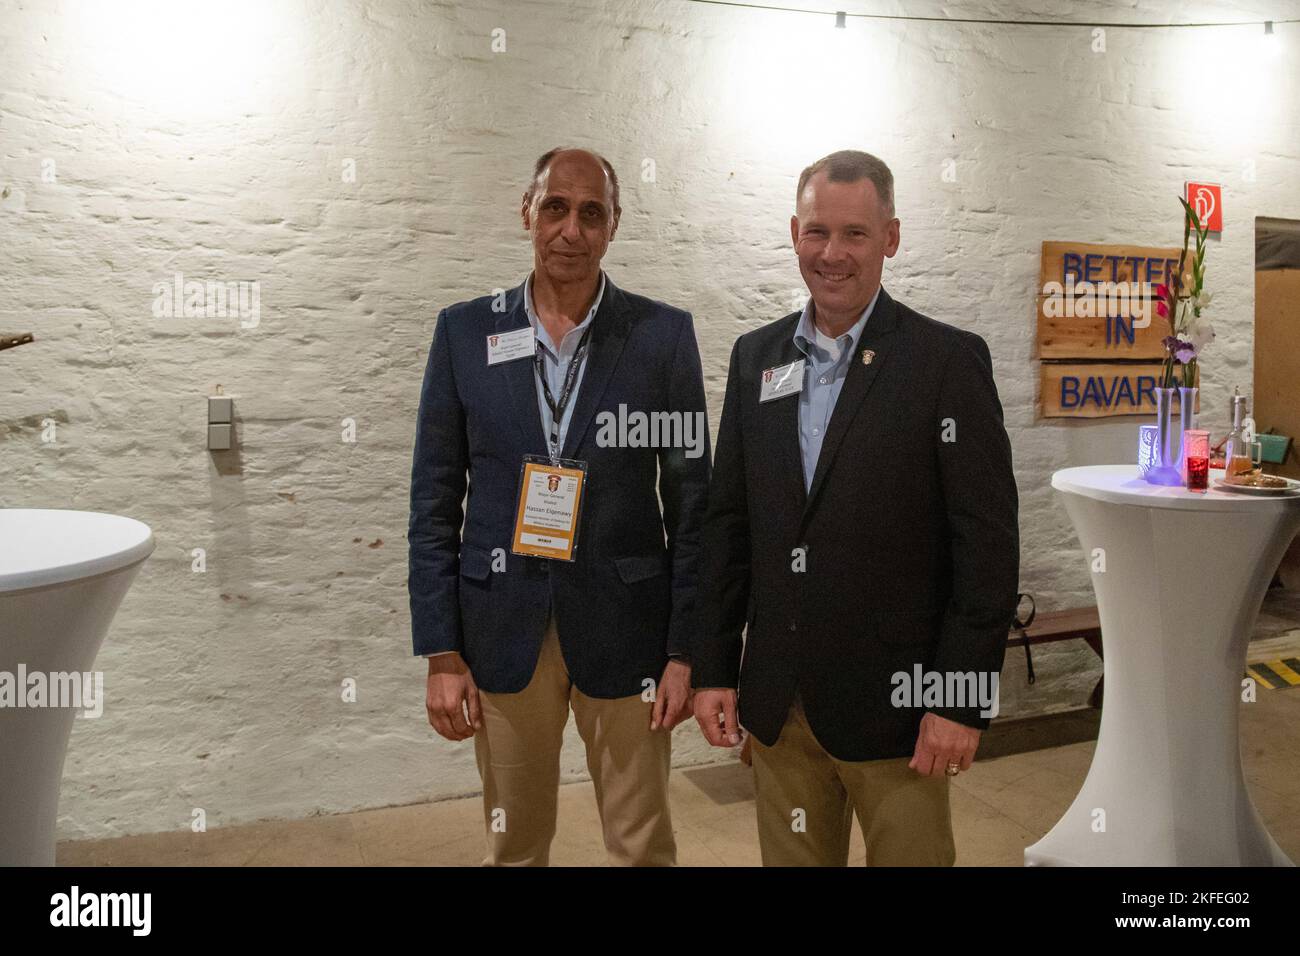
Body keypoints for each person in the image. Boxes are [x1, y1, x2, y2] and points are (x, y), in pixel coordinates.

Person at [691, 149, 1019, 866]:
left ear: (891, 239)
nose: (831, 253)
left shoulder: (945, 363)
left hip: (900, 712)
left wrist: (959, 699)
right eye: (816, 232)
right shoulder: (757, 358)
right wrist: (714, 666)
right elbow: (729, 525)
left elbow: (985, 546)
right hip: (780, 706)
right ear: (793, 233)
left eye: (855, 234)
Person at [408, 147, 710, 866]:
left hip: (629, 627)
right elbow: (433, 499)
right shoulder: (465, 334)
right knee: (514, 844)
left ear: (613, 228)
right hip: (504, 625)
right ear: (527, 212)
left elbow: (694, 503)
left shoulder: (661, 338)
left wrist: (685, 650)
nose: (570, 230)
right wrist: (441, 652)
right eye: (555, 208)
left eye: (591, 213)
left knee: (642, 846)